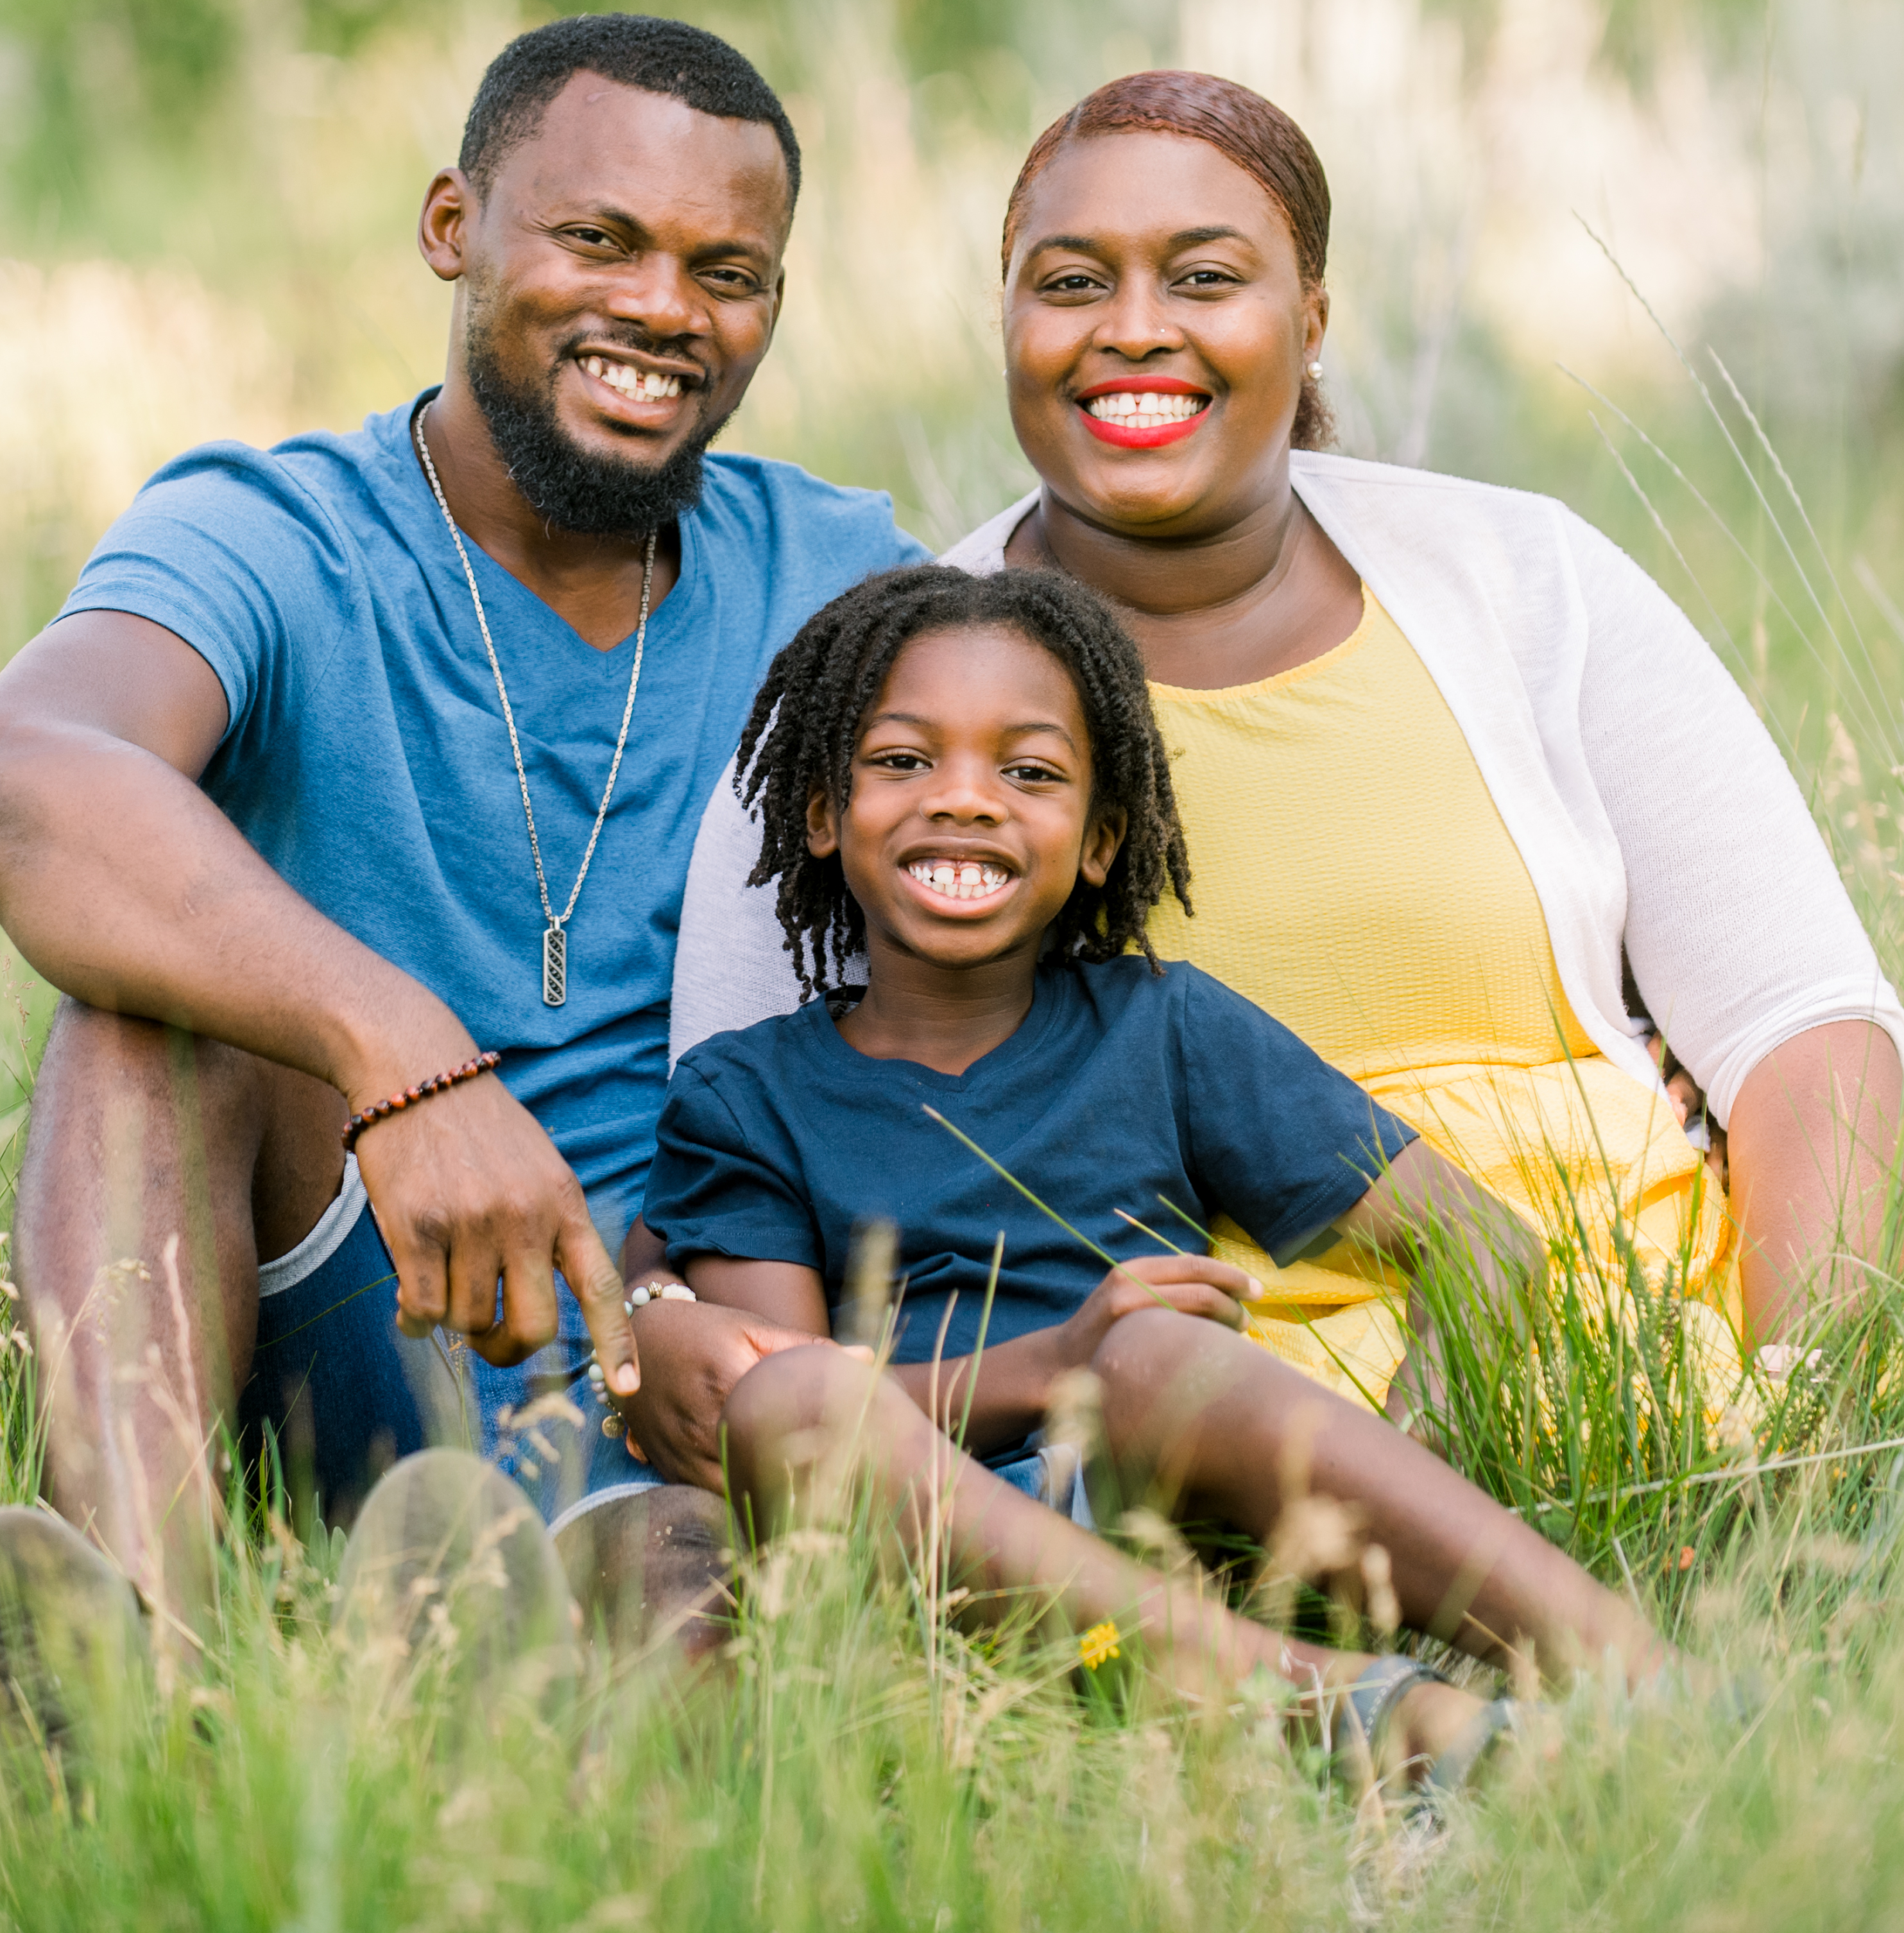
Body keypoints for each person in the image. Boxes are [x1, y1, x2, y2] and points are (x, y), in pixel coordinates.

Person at [667, 69, 1904, 1429]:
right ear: (1006, 325)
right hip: (1252, 1357)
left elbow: (1800, 1019)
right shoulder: (890, 707)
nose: (1132, 328)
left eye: (1204, 276)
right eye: (1069, 284)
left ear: (1309, 319)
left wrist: (1807, 1373)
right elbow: (749, 1099)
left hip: (1678, 1267)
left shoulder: (1526, 581)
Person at [0, 14, 920, 1733]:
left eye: (725, 269)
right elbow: (18, 775)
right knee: (146, 1012)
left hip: (677, 1369)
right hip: (340, 1289)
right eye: (598, 239)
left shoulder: (837, 579)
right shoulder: (273, 530)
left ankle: (463, 1679)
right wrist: (400, 1050)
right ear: (454, 227)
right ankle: (145, 1654)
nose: (666, 309)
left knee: (688, 1638)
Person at [642, 560, 1674, 1788]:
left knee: (1158, 1357)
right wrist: (1052, 1365)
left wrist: (1412, 1458)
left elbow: (1483, 1247)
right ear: (821, 814)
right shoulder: (744, 1095)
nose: (965, 802)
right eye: (904, 762)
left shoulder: (1164, 1030)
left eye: (1029, 773)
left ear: (1099, 841)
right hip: (925, 1557)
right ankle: (1344, 1719)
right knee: (801, 1408)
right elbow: (766, 1417)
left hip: (1169, 1510)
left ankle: (1641, 1685)